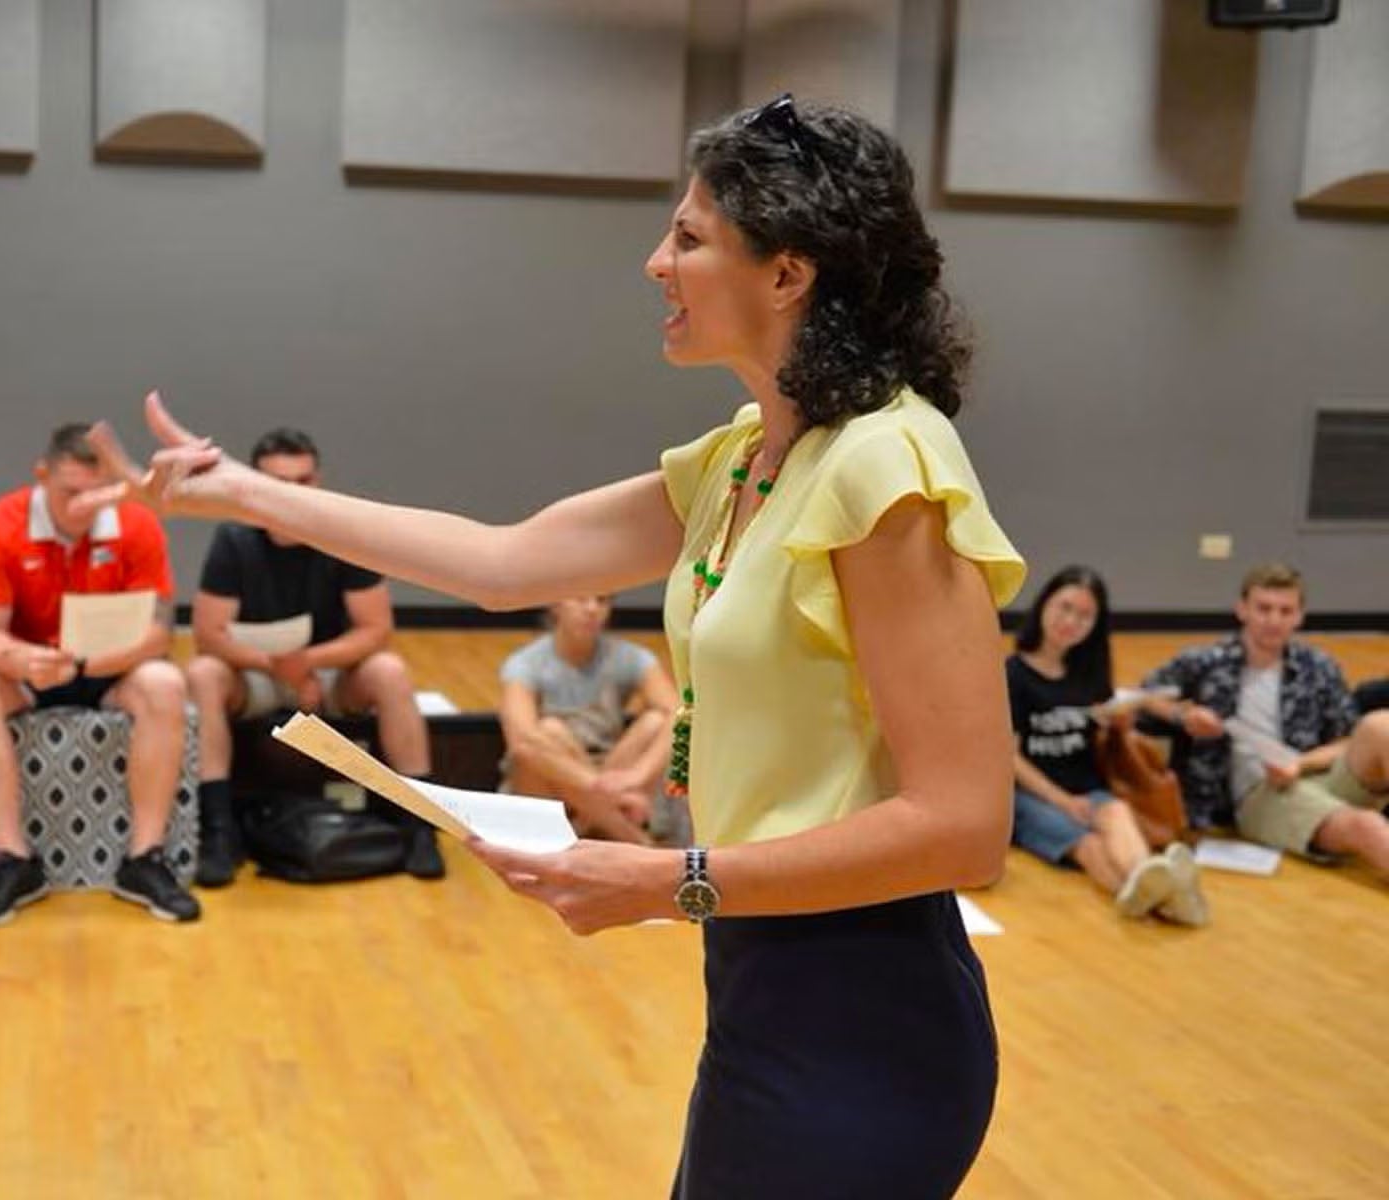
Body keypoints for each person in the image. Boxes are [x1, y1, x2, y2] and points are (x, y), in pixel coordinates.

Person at [94, 95, 1022, 1196]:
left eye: (688, 238)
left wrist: (670, 880)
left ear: (787, 273)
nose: (655, 263)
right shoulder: (746, 458)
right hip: (760, 987)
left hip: (866, 1016)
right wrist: (245, 494)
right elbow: (501, 562)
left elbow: (964, 826)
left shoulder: (885, 467)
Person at [0, 423, 201, 927]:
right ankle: (13, 860)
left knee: (166, 684)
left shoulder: (137, 523)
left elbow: (159, 633)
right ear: (41, 475)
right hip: (30, 669)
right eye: (71, 493)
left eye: (98, 493)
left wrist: (86, 665)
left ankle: (145, 857)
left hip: (107, 668)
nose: (84, 506)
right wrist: (22, 660)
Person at [184, 428, 442, 886]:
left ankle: (420, 825)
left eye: (302, 481)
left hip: (328, 673)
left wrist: (308, 663)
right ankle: (217, 830)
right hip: (258, 671)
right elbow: (208, 635)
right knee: (203, 674)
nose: (292, 493)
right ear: (256, 485)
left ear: (317, 481)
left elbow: (376, 629)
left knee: (390, 670)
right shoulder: (234, 539)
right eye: (279, 483)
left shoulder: (344, 535)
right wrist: (276, 666)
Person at [1143, 564, 1389, 877]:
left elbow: (1345, 740)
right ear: (1242, 610)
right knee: (1367, 826)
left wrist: (1299, 764)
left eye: (1285, 611)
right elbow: (1144, 694)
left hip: (1310, 773)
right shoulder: (1207, 661)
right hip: (1261, 794)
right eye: (1264, 609)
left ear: (1299, 616)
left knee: (1380, 725)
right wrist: (1183, 715)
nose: (1274, 621)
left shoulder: (1318, 666)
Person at [1007, 567, 1206, 924]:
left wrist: (1117, 723)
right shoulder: (1014, 674)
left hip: (1088, 787)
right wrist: (1062, 801)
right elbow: (1010, 757)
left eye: (1085, 616)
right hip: (1033, 795)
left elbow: (1107, 719)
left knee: (1117, 814)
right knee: (1088, 846)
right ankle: (1168, 903)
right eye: (1065, 607)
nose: (1071, 621)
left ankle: (1153, 891)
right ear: (1044, 605)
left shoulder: (1088, 673)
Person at [498, 595, 684, 845]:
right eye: (580, 599)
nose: (592, 609)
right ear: (555, 604)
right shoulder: (525, 663)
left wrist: (638, 774)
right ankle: (637, 841)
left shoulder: (631, 656)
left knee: (657, 722)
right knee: (549, 732)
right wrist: (600, 788)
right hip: (551, 782)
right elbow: (522, 742)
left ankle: (589, 823)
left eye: (602, 600)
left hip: (610, 769)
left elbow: (678, 713)